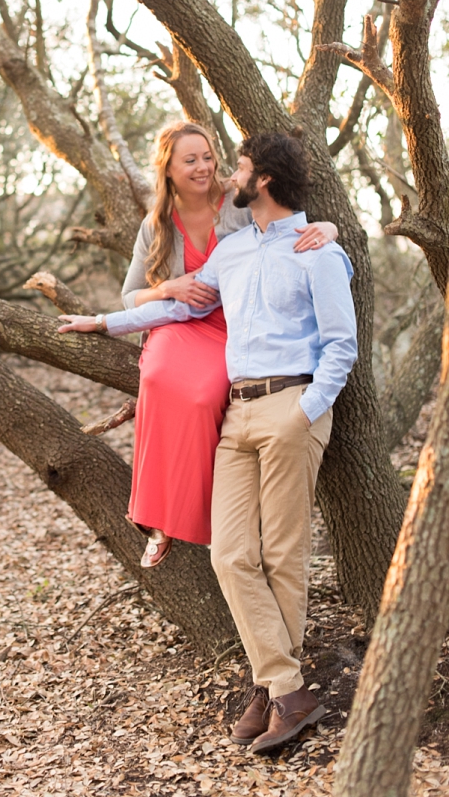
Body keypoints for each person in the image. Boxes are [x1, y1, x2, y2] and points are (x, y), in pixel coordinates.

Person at [61, 131, 357, 754]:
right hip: (237, 413)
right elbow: (176, 309)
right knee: (231, 556)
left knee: (282, 555)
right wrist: (104, 321)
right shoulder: (232, 250)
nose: (229, 175)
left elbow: (341, 346)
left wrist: (305, 411)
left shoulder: (316, 252)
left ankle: (273, 688)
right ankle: (286, 687)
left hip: (290, 408)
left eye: (241, 167)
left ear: (264, 182)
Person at [118, 121, 336, 568]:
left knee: (204, 396)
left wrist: (329, 228)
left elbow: (289, 221)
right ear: (169, 169)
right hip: (181, 322)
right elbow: (130, 295)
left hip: (237, 327)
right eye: (190, 160)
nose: (203, 167)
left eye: (207, 157)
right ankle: (157, 518)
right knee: (157, 377)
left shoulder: (237, 201)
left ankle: (202, 517)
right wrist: (167, 288)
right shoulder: (155, 225)